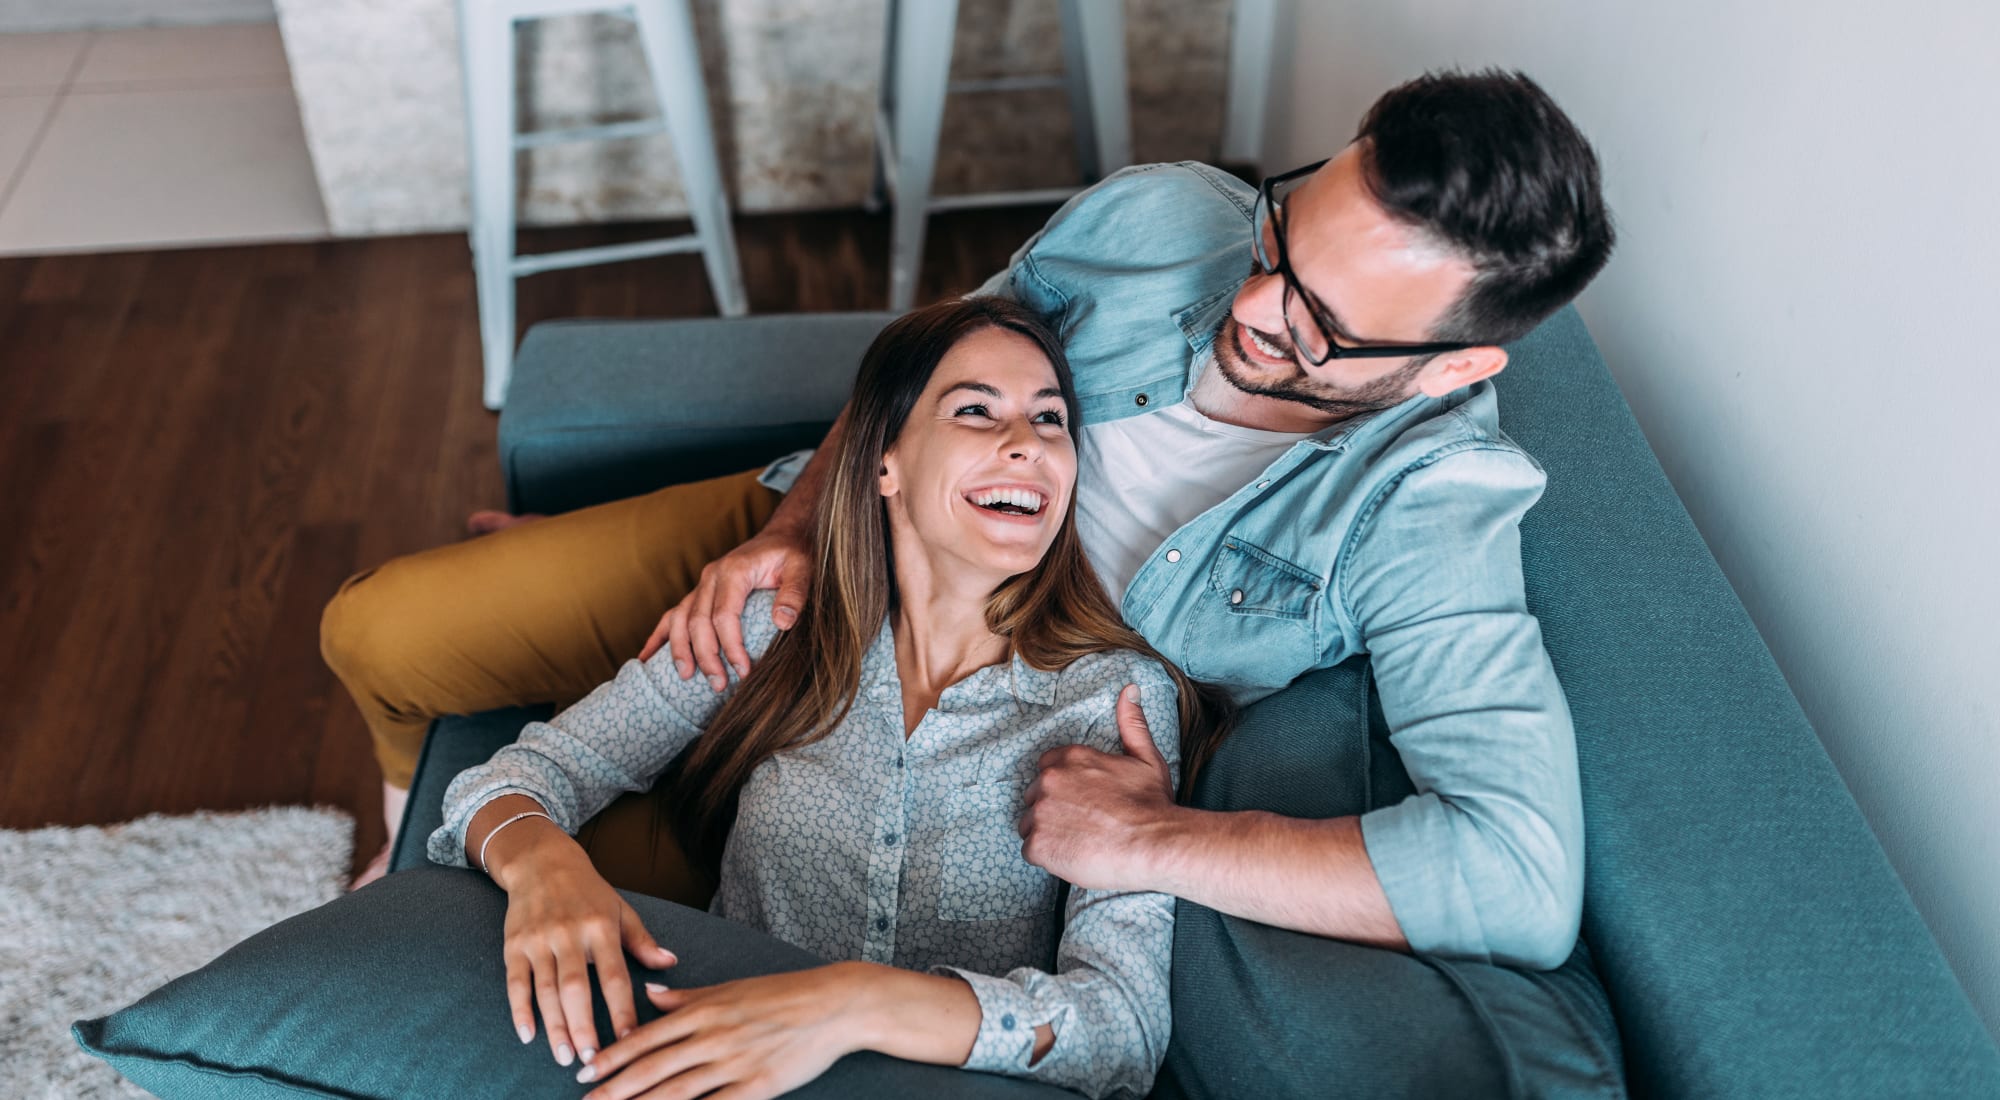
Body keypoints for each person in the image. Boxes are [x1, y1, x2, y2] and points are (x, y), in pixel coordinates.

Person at [327, 67, 1614, 971]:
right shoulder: (1169, 215)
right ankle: (405, 812)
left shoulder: (1431, 508)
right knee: (381, 630)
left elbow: (1515, 876)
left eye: (1319, 325)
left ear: (1448, 368)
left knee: (524, 893)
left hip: (952, 715)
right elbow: (934, 362)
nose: (1256, 300)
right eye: (1282, 231)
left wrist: (1158, 837)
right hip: (819, 539)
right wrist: (785, 536)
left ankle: (458, 822)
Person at [425, 297, 1228, 1100]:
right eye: (976, 410)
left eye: (1050, 421)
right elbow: (520, 777)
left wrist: (848, 1005)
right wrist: (543, 865)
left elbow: (1121, 1031)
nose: (1026, 445)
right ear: (887, 460)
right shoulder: (775, 626)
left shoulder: (1111, 700)